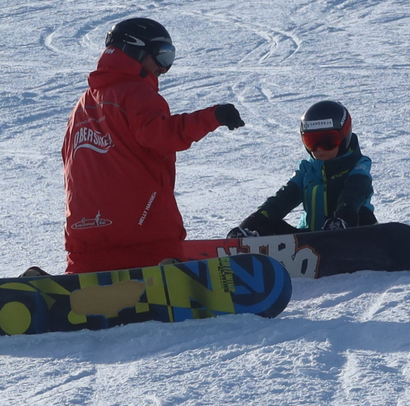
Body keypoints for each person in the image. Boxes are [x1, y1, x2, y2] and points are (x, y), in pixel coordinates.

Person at [57, 17, 245, 275]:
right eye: (162, 55)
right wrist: (214, 116)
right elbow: (162, 136)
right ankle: (171, 280)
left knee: (88, 275)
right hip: (142, 231)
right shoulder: (136, 93)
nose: (164, 68)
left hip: (87, 235)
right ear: (134, 50)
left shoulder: (80, 107)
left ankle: (50, 292)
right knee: (160, 268)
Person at [227, 100, 376, 238]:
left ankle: (355, 239)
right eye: (311, 142)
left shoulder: (358, 165)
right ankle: (248, 244)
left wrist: (343, 218)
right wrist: (253, 222)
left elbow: (354, 192)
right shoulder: (307, 169)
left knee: (363, 215)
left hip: (352, 234)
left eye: (328, 141)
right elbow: (282, 199)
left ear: (345, 138)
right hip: (312, 240)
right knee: (271, 224)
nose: (319, 149)